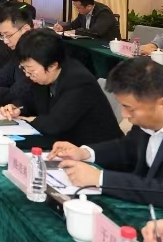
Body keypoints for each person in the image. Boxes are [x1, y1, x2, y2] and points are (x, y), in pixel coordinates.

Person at [48, 57, 163, 206]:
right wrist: (84, 153)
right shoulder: (147, 121)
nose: (124, 115)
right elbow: (128, 147)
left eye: (129, 108)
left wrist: (100, 179)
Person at [0, 28, 122, 145]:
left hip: (96, 151)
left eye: (30, 70)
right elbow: (30, 101)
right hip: (66, 145)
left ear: (52, 65)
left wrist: (26, 119)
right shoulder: (43, 75)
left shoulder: (79, 81)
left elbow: (54, 125)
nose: (27, 74)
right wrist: (17, 108)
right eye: (24, 69)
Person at [53, 0, 120, 40]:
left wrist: (76, 32)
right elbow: (74, 25)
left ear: (89, 7)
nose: (77, 10)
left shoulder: (104, 12)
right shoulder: (83, 11)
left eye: (78, 8)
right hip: (91, 42)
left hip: (106, 46)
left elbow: (96, 31)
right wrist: (63, 27)